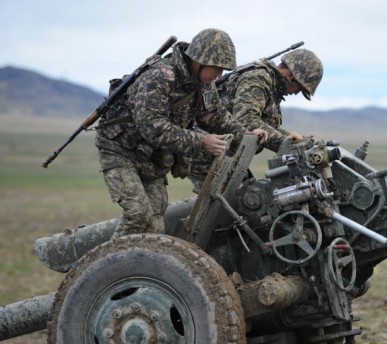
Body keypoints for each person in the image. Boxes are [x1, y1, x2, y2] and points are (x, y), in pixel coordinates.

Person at [95, 28, 267, 237]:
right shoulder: (159, 76)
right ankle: (109, 266)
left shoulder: (203, 83)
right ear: (199, 60)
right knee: (138, 215)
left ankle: (141, 269)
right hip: (120, 150)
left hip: (151, 157)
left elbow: (216, 116)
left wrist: (247, 134)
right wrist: (201, 141)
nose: (220, 75)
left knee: (155, 226)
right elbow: (153, 127)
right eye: (217, 68)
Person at [188, 48, 323, 191]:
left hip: (224, 153)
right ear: (291, 76)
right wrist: (286, 141)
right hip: (208, 149)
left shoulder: (271, 86)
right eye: (299, 88)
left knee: (253, 195)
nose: (295, 93)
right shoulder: (259, 78)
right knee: (241, 201)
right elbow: (247, 121)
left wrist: (291, 139)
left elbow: (261, 125)